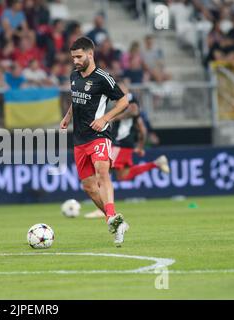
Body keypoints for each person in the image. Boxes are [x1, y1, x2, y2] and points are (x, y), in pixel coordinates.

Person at [59, 37, 130, 247]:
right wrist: (67, 116)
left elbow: (123, 101)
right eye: (73, 57)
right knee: (89, 187)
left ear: (90, 54)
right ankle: (115, 220)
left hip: (99, 134)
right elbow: (76, 99)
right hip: (79, 139)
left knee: (102, 172)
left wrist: (105, 118)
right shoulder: (74, 76)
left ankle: (110, 215)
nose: (75, 61)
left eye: (79, 56)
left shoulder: (103, 78)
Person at [85, 89, 171, 219]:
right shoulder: (129, 111)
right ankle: (156, 164)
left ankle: (102, 209)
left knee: (101, 173)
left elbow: (134, 111)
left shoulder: (128, 102)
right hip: (124, 146)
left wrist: (110, 117)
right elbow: (142, 129)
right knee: (122, 176)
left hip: (119, 144)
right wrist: (140, 146)